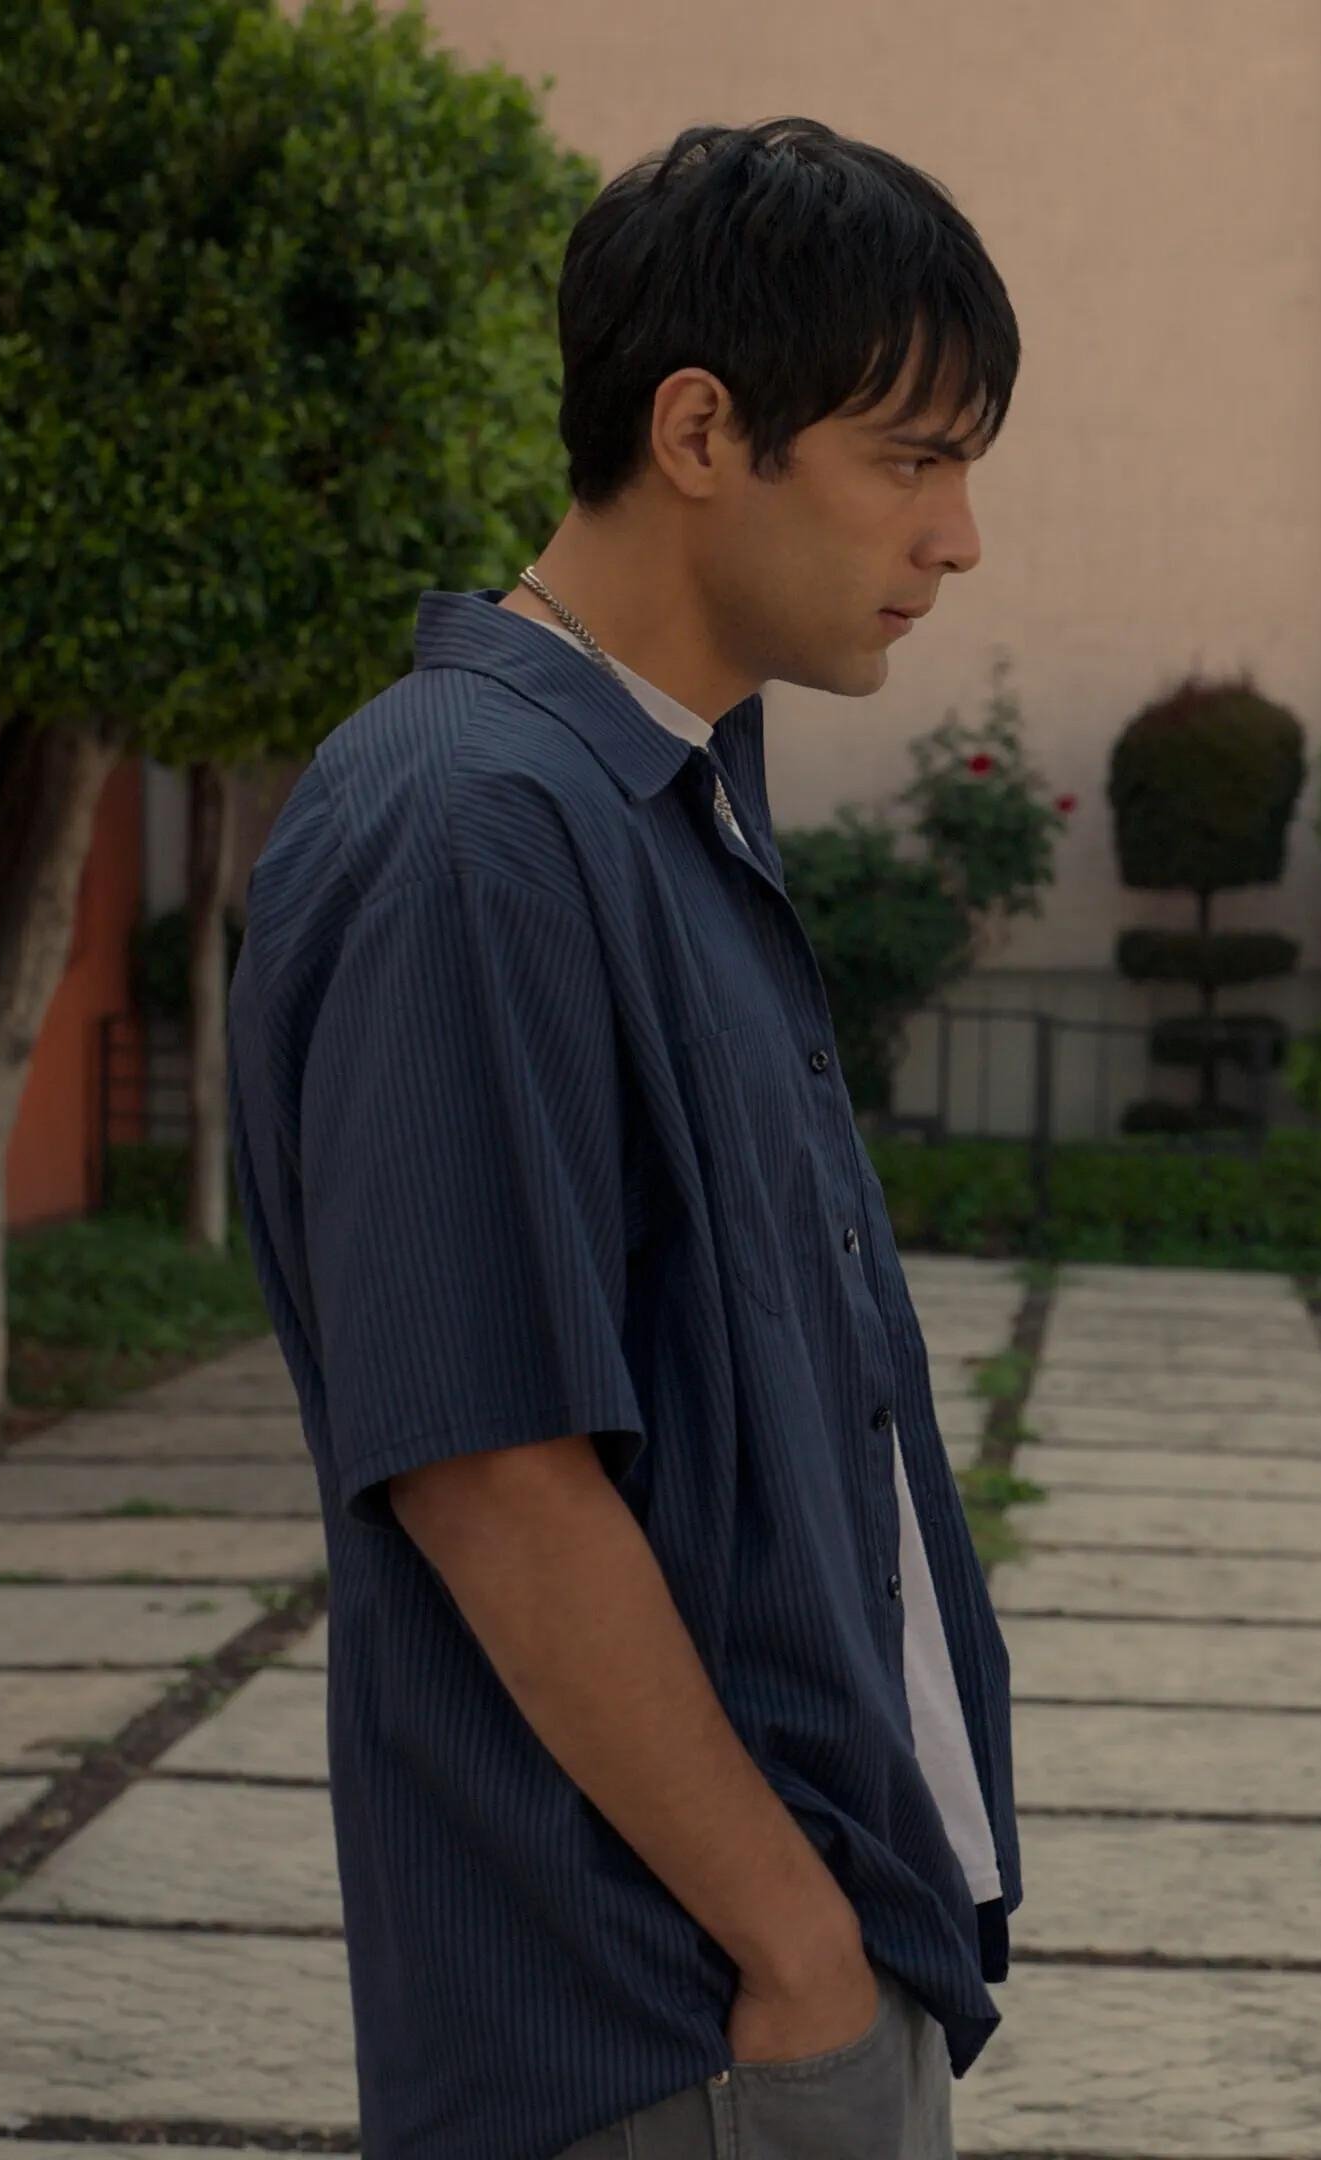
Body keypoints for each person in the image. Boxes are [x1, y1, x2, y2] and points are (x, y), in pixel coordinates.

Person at [226, 121, 1019, 2160]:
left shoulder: (658, 796)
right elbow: (492, 1465)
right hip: (656, 2018)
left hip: (787, 1965)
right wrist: (792, 1949)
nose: (956, 538)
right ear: (699, 430)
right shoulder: (476, 829)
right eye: (911, 461)